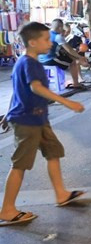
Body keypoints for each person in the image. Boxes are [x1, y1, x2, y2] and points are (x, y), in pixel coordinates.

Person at [1, 22, 86, 227]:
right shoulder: (31, 64)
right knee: (20, 165)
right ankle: (7, 210)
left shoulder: (24, 62)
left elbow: (18, 90)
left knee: (53, 152)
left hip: (38, 119)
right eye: (46, 39)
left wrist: (6, 115)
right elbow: (36, 87)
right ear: (32, 42)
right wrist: (67, 102)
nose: (50, 43)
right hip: (27, 121)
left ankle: (61, 193)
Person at [39, 19, 89, 89]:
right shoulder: (58, 37)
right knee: (73, 62)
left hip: (40, 59)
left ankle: (75, 80)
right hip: (49, 59)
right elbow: (69, 50)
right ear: (60, 27)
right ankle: (76, 83)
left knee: (69, 58)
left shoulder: (45, 34)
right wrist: (80, 57)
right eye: (62, 28)